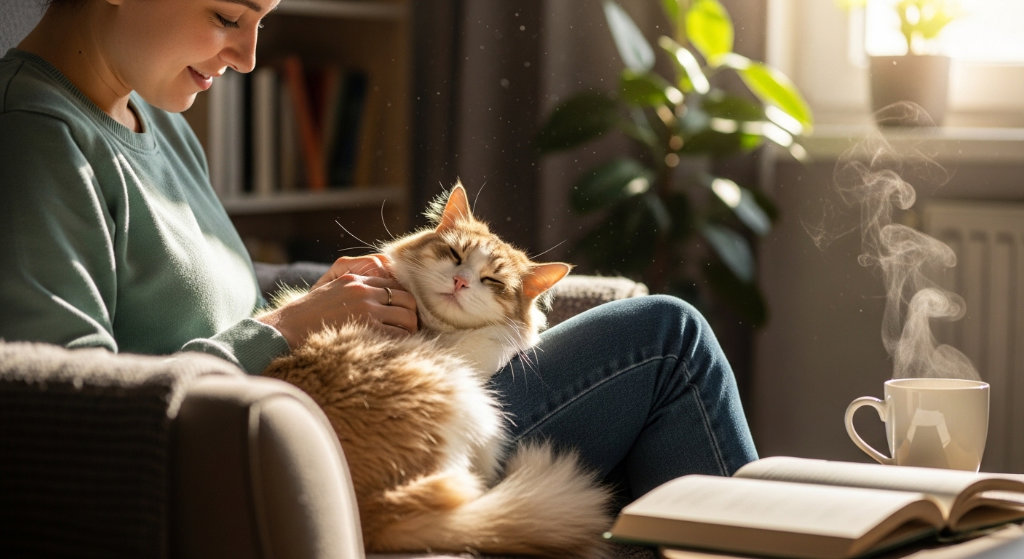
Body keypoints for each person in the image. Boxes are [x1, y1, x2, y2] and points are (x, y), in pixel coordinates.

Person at [0, 0, 756, 506]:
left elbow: (215, 284)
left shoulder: (152, 114)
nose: (249, 54)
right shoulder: (35, 141)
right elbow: (68, 425)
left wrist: (351, 289)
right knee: (666, 341)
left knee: (634, 324)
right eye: (229, 14)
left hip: (332, 396)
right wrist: (287, 328)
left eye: (263, 18)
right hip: (291, 450)